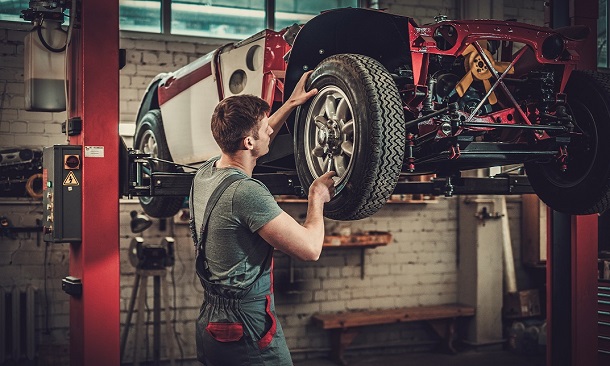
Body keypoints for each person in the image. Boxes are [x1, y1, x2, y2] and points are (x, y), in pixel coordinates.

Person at [189, 71, 336, 366]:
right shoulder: (246, 193)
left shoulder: (205, 173)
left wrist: (292, 103)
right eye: (263, 129)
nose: (270, 131)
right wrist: (316, 197)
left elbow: (257, 136)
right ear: (247, 142)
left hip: (212, 322)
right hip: (245, 328)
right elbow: (310, 248)